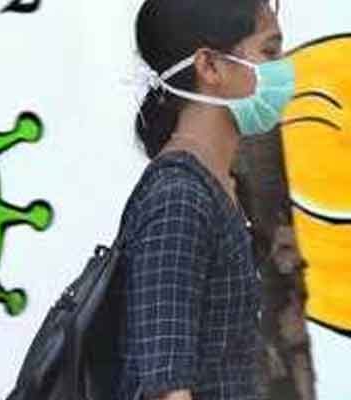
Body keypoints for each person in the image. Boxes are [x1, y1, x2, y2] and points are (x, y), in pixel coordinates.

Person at [109, 0, 301, 399]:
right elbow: (167, 389)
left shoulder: (219, 186)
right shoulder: (179, 200)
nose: (284, 69)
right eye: (269, 51)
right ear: (210, 66)